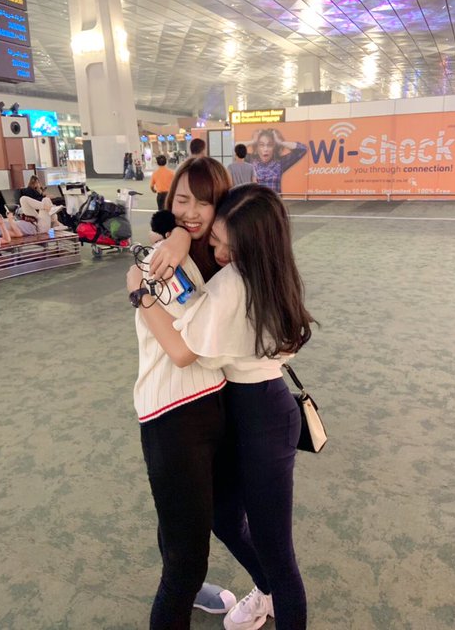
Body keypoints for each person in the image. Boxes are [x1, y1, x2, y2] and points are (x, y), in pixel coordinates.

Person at [128, 183, 314, 630]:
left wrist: (139, 292)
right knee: (226, 519)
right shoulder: (276, 270)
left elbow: (181, 350)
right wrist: (177, 235)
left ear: (251, 244)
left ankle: (272, 596)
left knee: (276, 553)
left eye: (226, 244)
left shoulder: (232, 285)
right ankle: (266, 593)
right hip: (255, 409)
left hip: (259, 419)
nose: (217, 250)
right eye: (215, 239)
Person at [128, 157, 236, 629]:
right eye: (182, 200)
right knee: (188, 558)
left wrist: (179, 235)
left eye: (203, 202)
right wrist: (144, 282)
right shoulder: (162, 260)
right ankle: (183, 586)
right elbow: (184, 351)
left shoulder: (216, 255)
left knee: (181, 524)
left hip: (209, 405)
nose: (191, 213)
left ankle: (186, 587)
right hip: (173, 414)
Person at [244, 128, 307, 193]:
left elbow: (302, 149)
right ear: (257, 148)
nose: (266, 149)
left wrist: (280, 142)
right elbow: (237, 149)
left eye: (269, 145)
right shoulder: (251, 161)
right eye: (261, 145)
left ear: (274, 148)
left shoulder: (280, 163)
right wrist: (252, 141)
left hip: (273, 199)